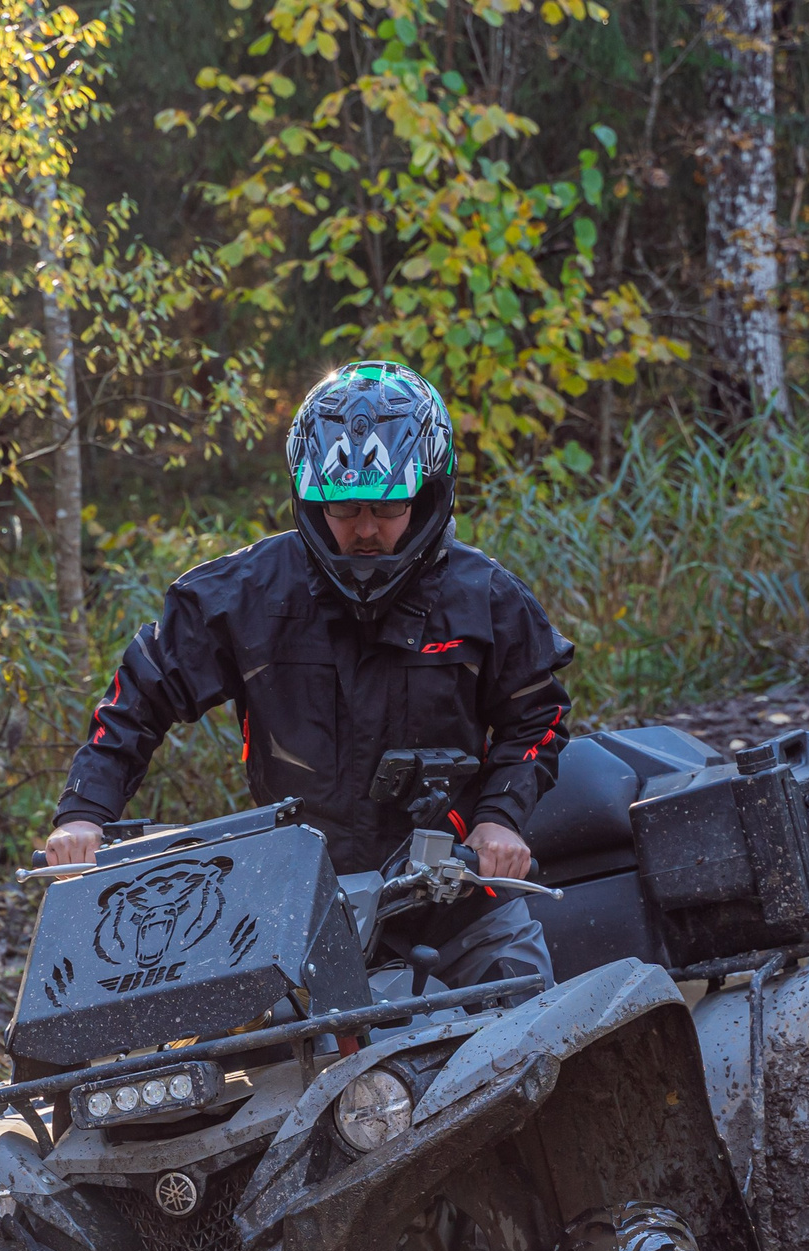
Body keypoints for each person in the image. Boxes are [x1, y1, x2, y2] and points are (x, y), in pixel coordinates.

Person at [42, 360, 573, 989]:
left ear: (428, 494)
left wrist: (500, 817)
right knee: (236, 1047)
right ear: (310, 498)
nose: (366, 529)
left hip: (459, 900)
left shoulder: (487, 598)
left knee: (536, 1028)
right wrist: (84, 814)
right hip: (298, 906)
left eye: (388, 506)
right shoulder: (242, 595)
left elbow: (538, 716)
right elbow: (139, 698)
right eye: (343, 507)